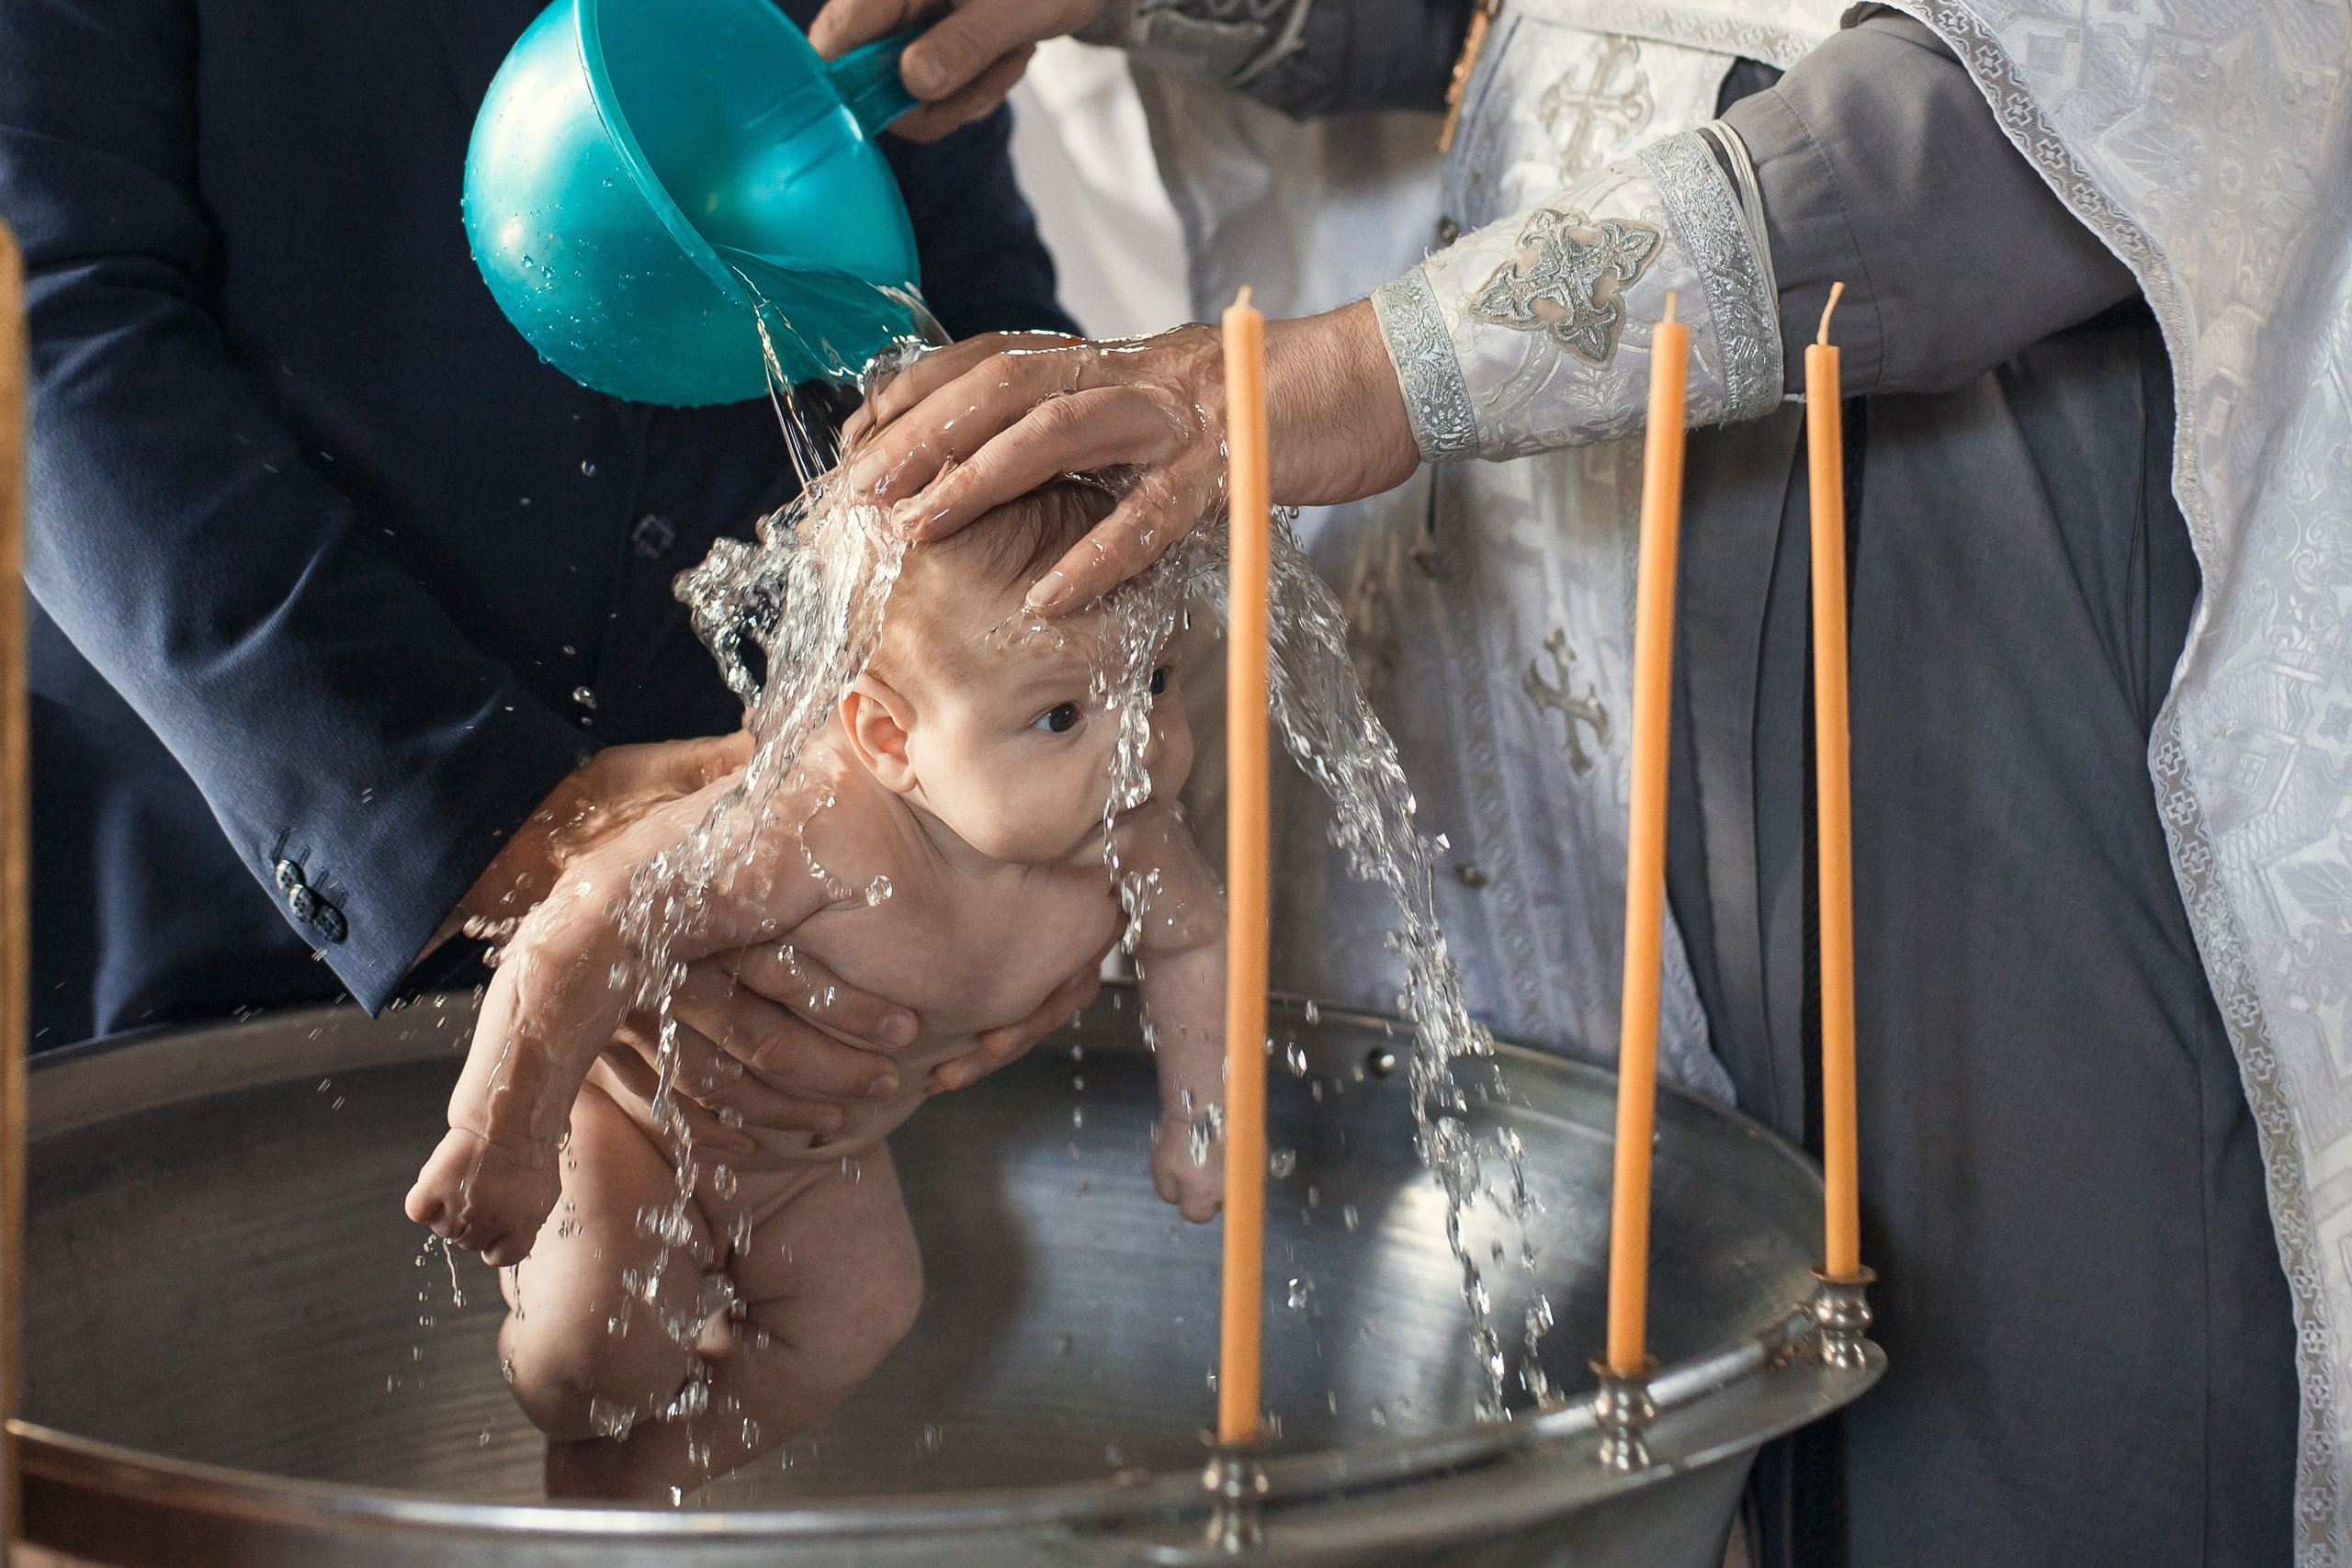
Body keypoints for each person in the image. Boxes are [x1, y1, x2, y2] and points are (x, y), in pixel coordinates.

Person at [820, 1, 2352, 1564]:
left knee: (2000, 1372)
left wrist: (1376, 372)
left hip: (1938, 502)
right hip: (1521, 553)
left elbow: (2089, 93)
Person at [1, 0, 1102, 1137]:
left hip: (791, 942)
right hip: (218, 891)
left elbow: (962, 312)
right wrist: (472, 818)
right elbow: (44, 324)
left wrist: (1078, 734)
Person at [408, 479, 1228, 1497]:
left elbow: (1194, 947)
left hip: (814, 1153)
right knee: (593, 1362)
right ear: (890, 740)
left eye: (1152, 679)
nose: (1140, 742)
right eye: (1060, 714)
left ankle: (634, 1482)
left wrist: (1201, 1109)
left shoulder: (1130, 833)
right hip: (629, 1118)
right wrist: (508, 1137)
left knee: (862, 1313)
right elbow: (586, 918)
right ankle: (581, 1413)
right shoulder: (809, 827)